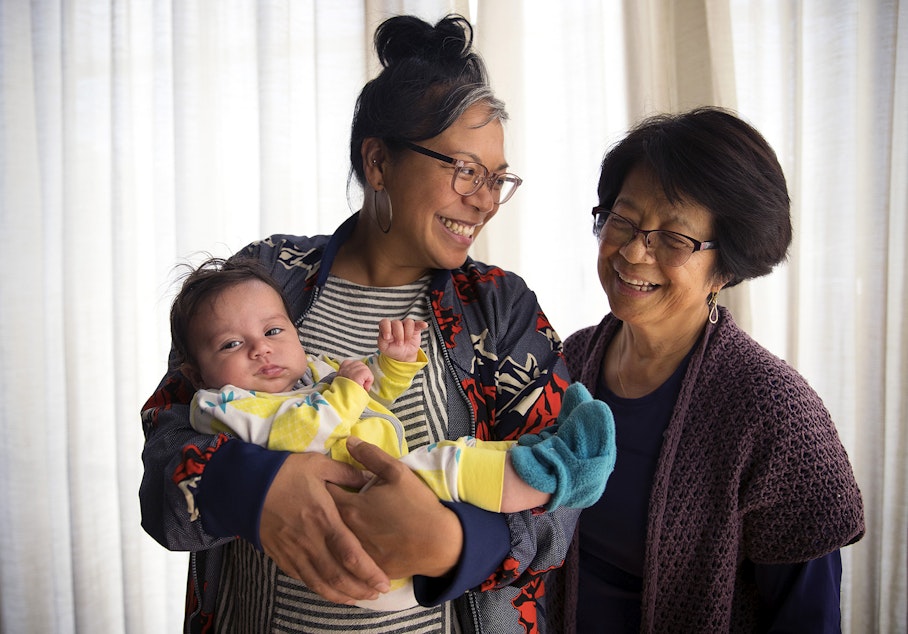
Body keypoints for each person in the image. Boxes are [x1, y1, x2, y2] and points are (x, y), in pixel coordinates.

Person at [140, 13, 582, 633]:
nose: (484, 199)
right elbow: (162, 457)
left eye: (497, 178)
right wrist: (255, 489)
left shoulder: (499, 309)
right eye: (464, 170)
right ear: (378, 163)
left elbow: (563, 493)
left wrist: (453, 542)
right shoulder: (263, 282)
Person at [546, 107, 865, 632]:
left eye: (673, 238)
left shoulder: (777, 413)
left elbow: (808, 619)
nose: (631, 250)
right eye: (623, 220)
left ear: (727, 265)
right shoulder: (570, 363)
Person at [169, 257, 616, 611]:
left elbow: (365, 400)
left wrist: (392, 366)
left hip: (391, 505)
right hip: (354, 534)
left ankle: (543, 450)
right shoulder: (223, 405)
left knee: (461, 453)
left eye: (272, 331)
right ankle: (560, 472)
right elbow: (301, 430)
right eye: (231, 344)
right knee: (446, 464)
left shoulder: (311, 374)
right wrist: (344, 387)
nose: (259, 347)